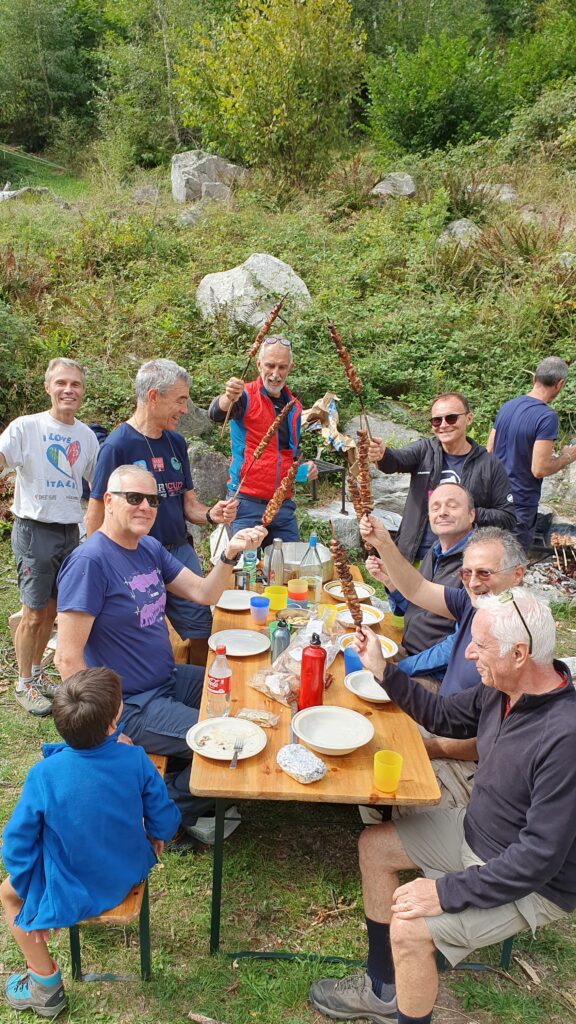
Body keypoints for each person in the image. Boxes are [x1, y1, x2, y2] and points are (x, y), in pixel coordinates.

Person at [309, 592, 576, 1024]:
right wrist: (382, 669)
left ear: (519, 653)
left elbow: (538, 858)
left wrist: (443, 891)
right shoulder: (504, 688)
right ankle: (382, 989)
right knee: (375, 846)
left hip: (531, 882)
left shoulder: (565, 737)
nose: (468, 654)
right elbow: (442, 715)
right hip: (478, 831)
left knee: (411, 928)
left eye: (480, 646)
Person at [55, 464, 267, 844]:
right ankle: (166, 811)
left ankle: (180, 783)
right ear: (107, 500)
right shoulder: (90, 562)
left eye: (152, 499)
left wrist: (230, 554)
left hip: (167, 679)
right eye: (133, 498)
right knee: (224, 736)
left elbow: (204, 593)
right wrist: (105, 729)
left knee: (241, 693)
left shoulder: (149, 547)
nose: (145, 507)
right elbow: (67, 659)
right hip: (130, 704)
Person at [0, 667, 180, 1019]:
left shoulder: (44, 775)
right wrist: (155, 834)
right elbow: (167, 820)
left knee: (8, 894)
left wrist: (31, 890)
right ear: (115, 719)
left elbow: (15, 845)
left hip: (72, 884)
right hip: (126, 871)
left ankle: (44, 985)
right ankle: (43, 983)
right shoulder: (134, 758)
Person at [361, 518, 527, 808]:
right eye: (466, 573)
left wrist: (433, 747)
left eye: (485, 573)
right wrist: (383, 543)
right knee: (371, 720)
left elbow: (495, 740)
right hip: (445, 713)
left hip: (467, 759)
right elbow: (415, 588)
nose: (474, 582)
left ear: (517, 575)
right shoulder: (472, 603)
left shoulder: (519, 645)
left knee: (386, 786)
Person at [85, 358, 237, 654]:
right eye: (180, 400)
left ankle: (197, 693)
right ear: (153, 396)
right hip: (134, 559)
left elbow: (189, 505)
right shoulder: (117, 446)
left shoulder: (176, 443)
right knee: (140, 636)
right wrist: (102, 568)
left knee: (202, 629)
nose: (184, 409)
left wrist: (210, 514)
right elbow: (95, 516)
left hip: (178, 552)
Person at [0, 358, 99, 717]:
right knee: (32, 612)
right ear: (48, 387)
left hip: (70, 532)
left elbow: (97, 485)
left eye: (75, 384)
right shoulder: (26, 427)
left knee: (55, 610)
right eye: (61, 383)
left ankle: (38, 674)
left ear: (83, 391)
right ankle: (23, 682)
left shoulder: (86, 436)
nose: (68, 390)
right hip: (34, 529)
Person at [367, 392, 515, 563]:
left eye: (451, 418)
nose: (443, 425)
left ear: (468, 418)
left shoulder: (489, 464)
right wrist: (382, 454)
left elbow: (507, 517)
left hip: (460, 562)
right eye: (437, 420)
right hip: (414, 555)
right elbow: (395, 461)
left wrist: (469, 513)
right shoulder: (424, 451)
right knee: (401, 590)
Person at [208, 334, 318, 544]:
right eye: (270, 365)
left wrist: (303, 470)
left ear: (290, 368)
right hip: (244, 504)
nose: (275, 374)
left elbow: (288, 455)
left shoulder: (294, 407)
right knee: (245, 571)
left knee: (288, 569)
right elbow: (216, 414)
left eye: (282, 367)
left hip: (282, 506)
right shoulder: (245, 396)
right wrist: (227, 398)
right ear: (259, 364)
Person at [373, 483, 475, 683]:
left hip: (435, 675)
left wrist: (402, 668)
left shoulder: (476, 564)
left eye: (452, 506)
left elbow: (460, 644)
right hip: (408, 653)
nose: (442, 512)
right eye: (435, 508)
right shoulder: (435, 551)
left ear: (472, 515)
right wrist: (389, 582)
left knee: (368, 687)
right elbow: (413, 604)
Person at [487, 356, 576, 552]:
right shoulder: (546, 417)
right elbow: (539, 468)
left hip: (494, 498)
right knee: (510, 566)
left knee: (490, 560)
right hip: (520, 504)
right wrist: (567, 457)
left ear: (535, 378)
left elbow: (489, 450)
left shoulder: (508, 406)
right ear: (559, 384)